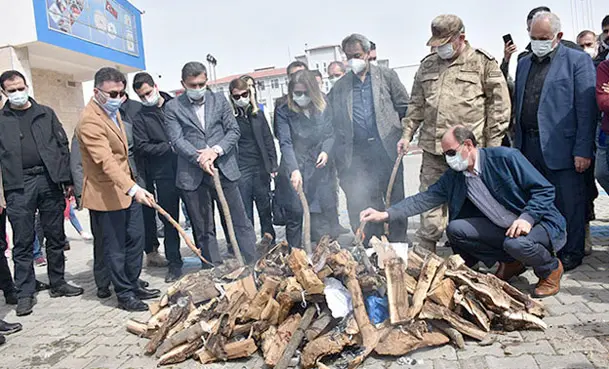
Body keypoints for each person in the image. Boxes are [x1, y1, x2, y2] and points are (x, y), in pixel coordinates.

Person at [362, 127, 566, 297]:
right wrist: (386, 214)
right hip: (503, 227)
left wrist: (527, 218)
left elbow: (544, 189)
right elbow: (424, 199)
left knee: (516, 243)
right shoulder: (455, 176)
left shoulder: (505, 158)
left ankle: (550, 268)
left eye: (451, 153)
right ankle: (511, 262)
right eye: (445, 155)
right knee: (457, 229)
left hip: (539, 222)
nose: (448, 159)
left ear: (468, 145)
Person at [397, 15, 511, 251]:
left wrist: (492, 148)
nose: (440, 48)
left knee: (476, 202)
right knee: (429, 199)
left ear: (461, 37)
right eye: (436, 44)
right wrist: (406, 135)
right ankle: (426, 250)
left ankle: (477, 253)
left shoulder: (483, 63)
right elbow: (416, 104)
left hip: (468, 152)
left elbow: (499, 107)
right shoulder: (427, 65)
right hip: (433, 149)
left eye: (445, 43)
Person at [513, 12, 596, 272]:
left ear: (558, 37)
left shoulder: (577, 61)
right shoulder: (524, 62)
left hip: (564, 147)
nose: (537, 42)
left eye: (543, 38)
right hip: (529, 146)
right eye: (533, 37)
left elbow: (586, 111)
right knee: (538, 201)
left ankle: (572, 251)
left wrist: (583, 149)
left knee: (569, 201)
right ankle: (545, 247)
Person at [76, 67, 160, 311]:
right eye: (112, 93)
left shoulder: (114, 113)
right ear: (96, 92)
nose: (117, 98)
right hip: (107, 194)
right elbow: (106, 161)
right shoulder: (89, 120)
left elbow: (123, 156)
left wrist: (133, 187)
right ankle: (123, 294)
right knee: (115, 248)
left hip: (127, 190)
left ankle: (133, 284)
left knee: (136, 239)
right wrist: (134, 189)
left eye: (121, 93)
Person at [0, 70, 83, 316]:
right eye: (11, 90)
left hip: (49, 180)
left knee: (55, 236)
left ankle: (58, 282)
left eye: (20, 88)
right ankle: (25, 292)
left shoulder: (45, 113)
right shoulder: (2, 120)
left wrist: (67, 180)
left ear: (27, 86)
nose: (17, 93)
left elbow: (61, 144)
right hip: (18, 185)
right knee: (23, 242)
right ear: (4, 92)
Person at [164, 61, 257, 264]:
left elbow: (233, 131)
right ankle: (213, 270)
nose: (198, 89)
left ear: (206, 81)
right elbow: (176, 140)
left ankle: (252, 264)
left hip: (224, 170)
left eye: (201, 84)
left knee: (240, 221)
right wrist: (200, 157)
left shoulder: (220, 100)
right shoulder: (172, 107)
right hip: (193, 175)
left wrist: (215, 151)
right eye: (193, 85)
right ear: (183, 84)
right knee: (204, 227)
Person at [329, 33, 409, 243]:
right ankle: (374, 244)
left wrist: (406, 135)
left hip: (387, 149)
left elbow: (405, 107)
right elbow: (333, 123)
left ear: (367, 53)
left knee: (395, 197)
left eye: (357, 55)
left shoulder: (386, 76)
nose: (353, 60)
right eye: (348, 56)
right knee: (367, 197)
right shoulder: (340, 87)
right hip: (359, 155)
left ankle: (399, 242)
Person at [132, 72, 183, 283]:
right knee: (169, 219)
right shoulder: (141, 117)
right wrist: (169, 147)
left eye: (148, 93)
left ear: (156, 86)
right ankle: (174, 263)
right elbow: (143, 146)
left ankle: (206, 257)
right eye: (141, 96)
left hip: (187, 169)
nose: (146, 98)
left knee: (200, 217)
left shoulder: (176, 105)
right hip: (163, 174)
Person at [275, 70, 335, 247]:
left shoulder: (323, 106)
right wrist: (294, 169)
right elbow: (285, 142)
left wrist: (325, 151)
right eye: (297, 93)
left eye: (305, 93)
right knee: (295, 213)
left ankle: (322, 256)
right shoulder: (284, 110)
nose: (301, 97)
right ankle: (295, 254)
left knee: (319, 214)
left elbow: (330, 133)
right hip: (295, 165)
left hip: (318, 167)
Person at [228, 77, 278, 243]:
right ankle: (248, 247)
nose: (241, 98)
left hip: (260, 167)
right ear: (231, 97)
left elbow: (268, 140)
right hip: (241, 169)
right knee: (245, 211)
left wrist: (273, 164)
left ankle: (269, 242)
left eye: (244, 94)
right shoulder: (229, 119)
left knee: (264, 207)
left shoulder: (258, 114)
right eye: (236, 96)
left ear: (250, 93)